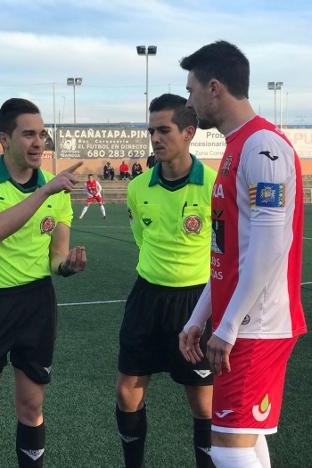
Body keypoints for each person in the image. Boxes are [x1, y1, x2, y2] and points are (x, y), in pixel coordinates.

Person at [179, 41, 306, 468]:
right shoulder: (237, 147)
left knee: (225, 446)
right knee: (244, 441)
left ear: (214, 88)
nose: (189, 101)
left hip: (259, 324)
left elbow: (272, 245)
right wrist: (199, 319)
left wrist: (228, 326)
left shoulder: (261, 147)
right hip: (246, 321)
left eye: (191, 90)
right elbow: (226, 256)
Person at [0, 98, 86, 468]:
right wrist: (44, 191)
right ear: (3, 139)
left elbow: (56, 258)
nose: (38, 143)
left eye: (42, 134)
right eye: (28, 134)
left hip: (36, 304)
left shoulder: (57, 195)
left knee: (32, 407)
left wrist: (68, 266)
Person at [117, 93, 217, 468]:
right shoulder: (138, 187)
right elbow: (141, 240)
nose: (156, 138)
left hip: (196, 300)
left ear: (188, 132)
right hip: (146, 296)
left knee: (202, 400)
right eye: (151, 131)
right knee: (128, 391)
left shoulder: (211, 183)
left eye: (164, 130)